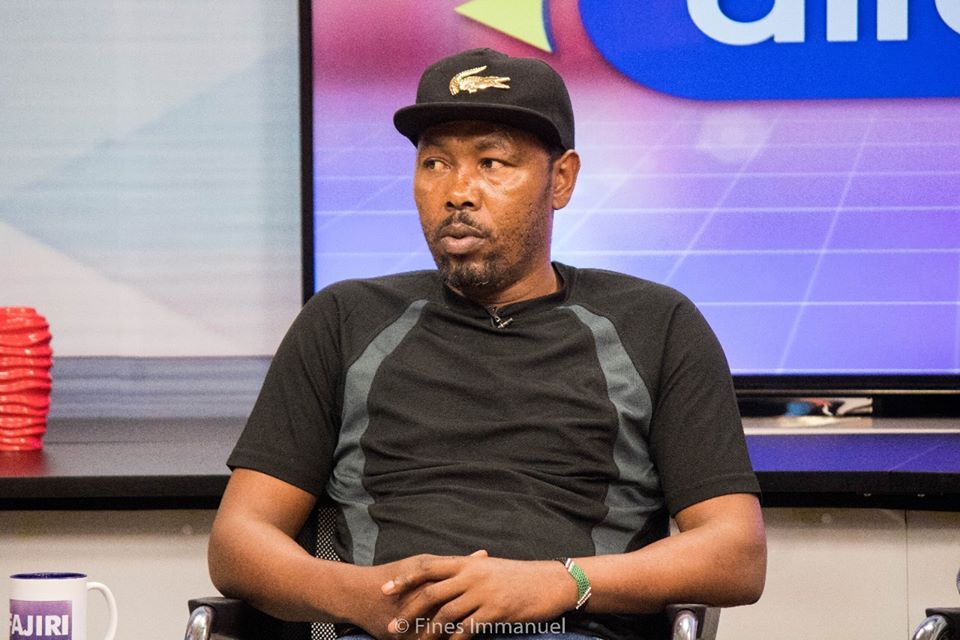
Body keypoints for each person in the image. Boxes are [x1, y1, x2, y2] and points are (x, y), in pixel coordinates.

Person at [208, 48, 766, 640]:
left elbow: (736, 553)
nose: (458, 192)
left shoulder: (656, 324)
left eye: (492, 162)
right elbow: (237, 542)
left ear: (562, 179)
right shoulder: (345, 319)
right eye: (435, 163)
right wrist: (358, 597)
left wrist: (559, 582)